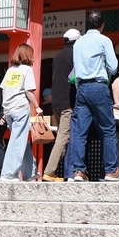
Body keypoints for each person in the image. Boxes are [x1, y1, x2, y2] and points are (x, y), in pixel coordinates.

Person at [68, 9, 119, 182]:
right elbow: (113, 68)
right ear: (102, 24)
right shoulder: (104, 40)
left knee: (80, 132)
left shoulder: (78, 43)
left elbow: (76, 67)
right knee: (108, 129)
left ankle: (79, 171)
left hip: (81, 88)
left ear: (87, 24)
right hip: (98, 86)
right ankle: (111, 170)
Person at [0, 44, 42, 181]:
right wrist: (37, 106)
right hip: (21, 108)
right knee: (17, 141)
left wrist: (5, 109)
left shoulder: (10, 70)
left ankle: (30, 172)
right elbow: (28, 91)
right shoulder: (27, 70)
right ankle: (8, 173)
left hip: (9, 109)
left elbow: (3, 90)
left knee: (20, 139)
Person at [42, 28, 79, 182]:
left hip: (56, 100)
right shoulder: (75, 54)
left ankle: (63, 172)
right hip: (68, 100)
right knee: (64, 136)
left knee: (63, 136)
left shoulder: (57, 55)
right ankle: (49, 171)